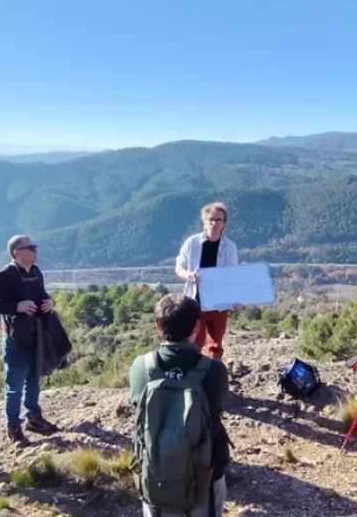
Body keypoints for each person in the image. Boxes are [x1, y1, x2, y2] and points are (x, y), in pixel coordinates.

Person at [130, 294, 230, 517]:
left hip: (155, 475)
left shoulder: (140, 367)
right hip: (205, 476)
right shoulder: (214, 370)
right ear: (197, 327)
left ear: (158, 326)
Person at [0, 234, 59, 445]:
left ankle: (33, 417)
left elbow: (42, 294)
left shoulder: (35, 272)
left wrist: (50, 302)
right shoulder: (6, 275)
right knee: (14, 385)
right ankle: (13, 426)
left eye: (35, 246)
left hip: (36, 335)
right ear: (17, 252)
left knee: (34, 378)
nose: (35, 250)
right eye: (30, 247)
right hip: (15, 339)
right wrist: (16, 307)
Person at [175, 202, 240, 360]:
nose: (214, 223)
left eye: (219, 219)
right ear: (204, 221)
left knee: (215, 345)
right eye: (211, 219)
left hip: (219, 302)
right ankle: (193, 374)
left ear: (224, 223)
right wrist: (190, 275)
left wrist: (237, 300)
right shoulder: (192, 243)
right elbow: (179, 268)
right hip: (195, 300)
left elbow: (233, 276)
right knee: (194, 341)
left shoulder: (229, 247)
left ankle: (213, 375)